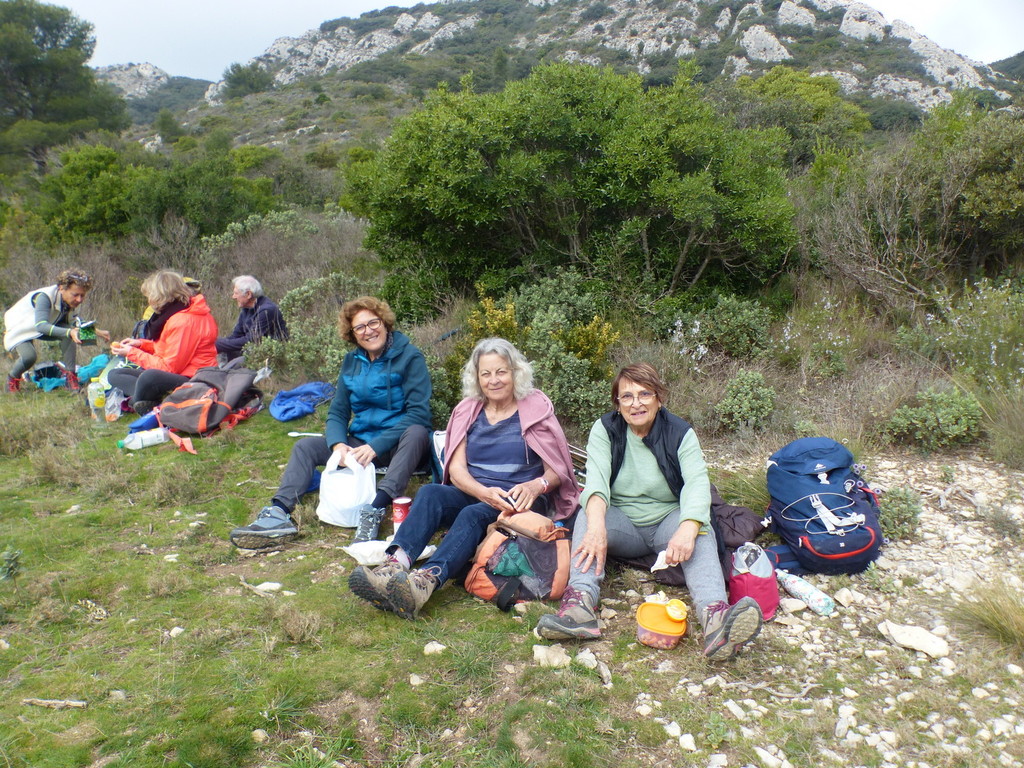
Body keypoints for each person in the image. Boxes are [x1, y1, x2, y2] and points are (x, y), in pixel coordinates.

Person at [534, 363, 763, 661]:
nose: (636, 403)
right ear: (617, 403)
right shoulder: (605, 429)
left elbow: (696, 484)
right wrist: (596, 526)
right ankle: (579, 607)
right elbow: (597, 484)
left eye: (644, 394)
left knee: (701, 528)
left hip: (668, 520)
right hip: (623, 523)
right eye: (626, 397)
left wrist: (689, 527)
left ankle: (715, 619)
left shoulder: (680, 432)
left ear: (659, 398)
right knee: (588, 516)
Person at [348, 337, 580, 620]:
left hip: (522, 502)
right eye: (486, 373)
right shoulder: (468, 410)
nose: (494, 380)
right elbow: (456, 471)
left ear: (515, 372)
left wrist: (536, 485)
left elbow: (557, 470)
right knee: (431, 493)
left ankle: (425, 581)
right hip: (480, 492)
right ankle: (393, 567)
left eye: (501, 371)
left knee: (473, 514)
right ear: (477, 377)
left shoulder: (535, 409)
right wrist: (483, 492)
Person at [229, 296, 432, 549]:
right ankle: (279, 513)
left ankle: (374, 511)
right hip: (361, 445)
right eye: (360, 327)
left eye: (373, 323)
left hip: (400, 445)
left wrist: (376, 446)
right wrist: (338, 445)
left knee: (417, 432)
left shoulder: (410, 357)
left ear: (385, 323)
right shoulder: (351, 363)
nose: (369, 331)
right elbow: (337, 412)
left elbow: (419, 414)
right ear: (352, 334)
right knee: (305, 447)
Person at [107, 270, 219, 414]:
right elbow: (168, 347)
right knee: (115, 374)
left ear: (160, 296)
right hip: (182, 373)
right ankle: (148, 400)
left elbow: (170, 368)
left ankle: (142, 401)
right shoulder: (179, 313)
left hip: (194, 378)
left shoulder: (184, 321)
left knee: (149, 377)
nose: (149, 302)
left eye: (150, 297)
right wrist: (140, 344)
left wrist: (132, 353)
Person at [4, 269, 110, 393]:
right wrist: (69, 332)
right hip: (21, 327)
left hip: (45, 325)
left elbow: (73, 322)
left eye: (82, 295)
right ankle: (12, 379)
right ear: (61, 288)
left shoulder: (67, 301)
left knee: (68, 333)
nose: (79, 299)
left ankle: (71, 379)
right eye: (75, 295)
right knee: (29, 356)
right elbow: (41, 326)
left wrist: (97, 332)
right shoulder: (44, 297)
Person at [215, 275, 289, 362]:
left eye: (236, 293)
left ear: (248, 294)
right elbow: (236, 336)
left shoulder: (267, 310)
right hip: (253, 352)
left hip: (270, 357)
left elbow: (251, 340)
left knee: (231, 360)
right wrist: (213, 344)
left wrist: (217, 344)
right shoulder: (247, 309)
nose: (234, 297)